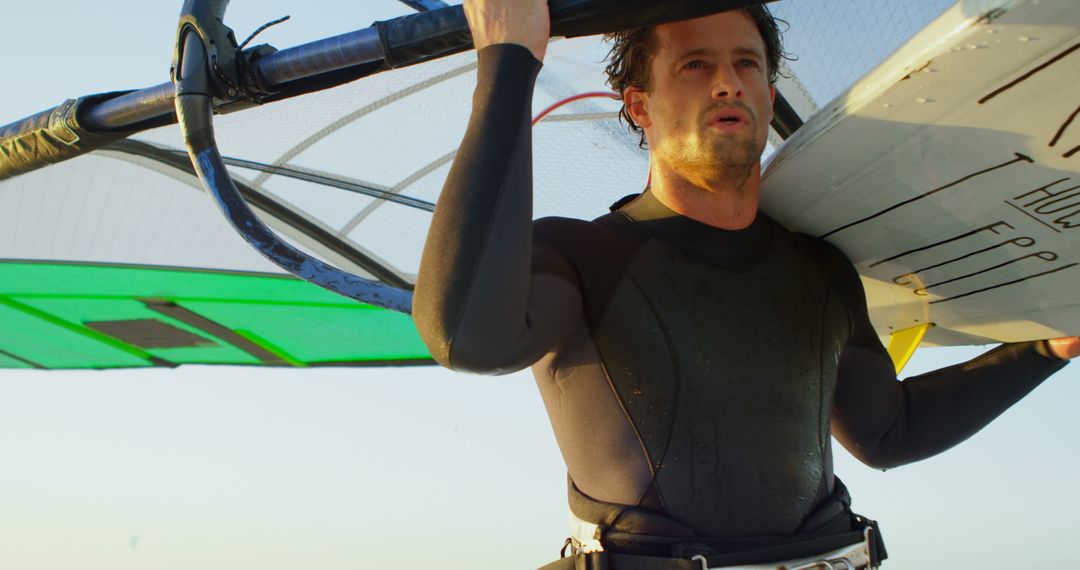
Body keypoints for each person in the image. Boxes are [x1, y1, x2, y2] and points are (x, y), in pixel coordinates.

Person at [413, 1, 1080, 568]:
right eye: (696, 65)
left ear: (767, 95)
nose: (727, 82)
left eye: (746, 65)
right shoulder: (579, 253)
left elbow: (888, 433)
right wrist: (506, 62)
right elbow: (467, 336)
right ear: (639, 107)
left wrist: (1044, 350)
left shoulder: (821, 271)